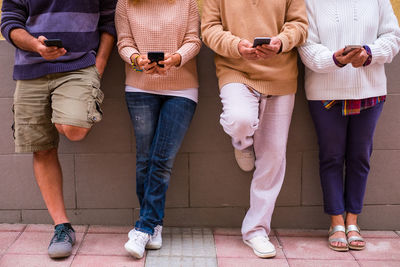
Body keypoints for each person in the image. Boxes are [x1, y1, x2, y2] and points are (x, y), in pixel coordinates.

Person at [0, 0, 116, 259]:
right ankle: (62, 226)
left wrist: (99, 65)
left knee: (74, 128)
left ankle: (64, 105)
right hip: (31, 70)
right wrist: (36, 45)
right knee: (41, 149)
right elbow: (9, 22)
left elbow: (110, 20)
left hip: (80, 68)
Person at [201, 0, 308, 259]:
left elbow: (300, 26)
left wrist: (280, 42)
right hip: (235, 69)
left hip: (281, 76)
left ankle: (256, 230)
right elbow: (209, 29)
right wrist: (237, 46)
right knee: (239, 120)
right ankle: (242, 143)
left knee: (273, 157)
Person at [298, 0, 400, 252]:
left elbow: (392, 37)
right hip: (325, 92)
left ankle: (353, 221)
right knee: (331, 157)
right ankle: (336, 222)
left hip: (370, 89)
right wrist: (335, 59)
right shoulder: (310, 2)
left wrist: (369, 53)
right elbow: (307, 45)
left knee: (360, 157)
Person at [115, 0, 201, 259]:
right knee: (144, 160)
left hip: (182, 88)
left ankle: (142, 228)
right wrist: (136, 59)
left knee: (161, 160)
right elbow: (124, 42)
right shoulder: (126, 3)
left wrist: (175, 59)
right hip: (139, 87)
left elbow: (193, 40)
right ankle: (154, 225)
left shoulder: (187, 2)